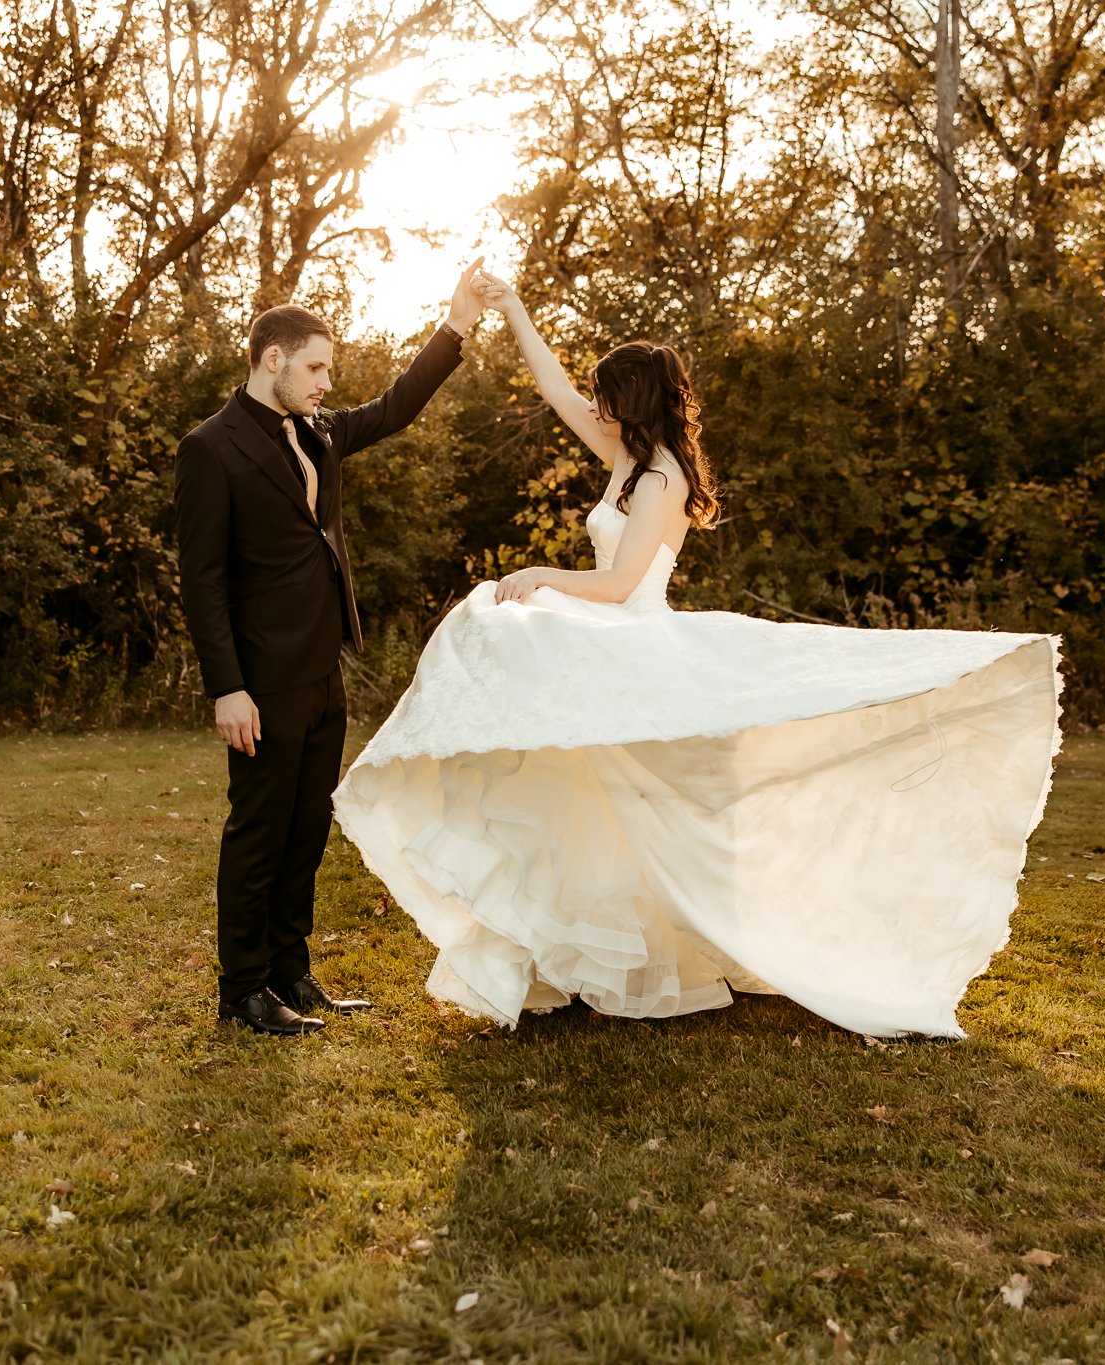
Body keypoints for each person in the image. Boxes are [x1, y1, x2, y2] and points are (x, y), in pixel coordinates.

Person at [332, 269, 1064, 1037]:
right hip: (607, 646)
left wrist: (539, 575)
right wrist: (513, 309)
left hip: (638, 640)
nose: (597, 407)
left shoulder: (660, 477)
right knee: (584, 794)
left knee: (639, 799)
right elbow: (552, 390)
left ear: (634, 402)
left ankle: (649, 953)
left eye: (607, 397)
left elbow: (619, 584)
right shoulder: (625, 458)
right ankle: (574, 952)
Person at [173, 259, 487, 1036]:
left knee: (307, 825)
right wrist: (227, 688)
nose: (325, 382)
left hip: (322, 668)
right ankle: (243, 989)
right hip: (261, 680)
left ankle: (289, 973)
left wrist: (455, 326)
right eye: (314, 367)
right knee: (259, 831)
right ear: (271, 359)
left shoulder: (317, 430)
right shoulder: (210, 449)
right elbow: (202, 580)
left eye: (329, 370)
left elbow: (395, 407)